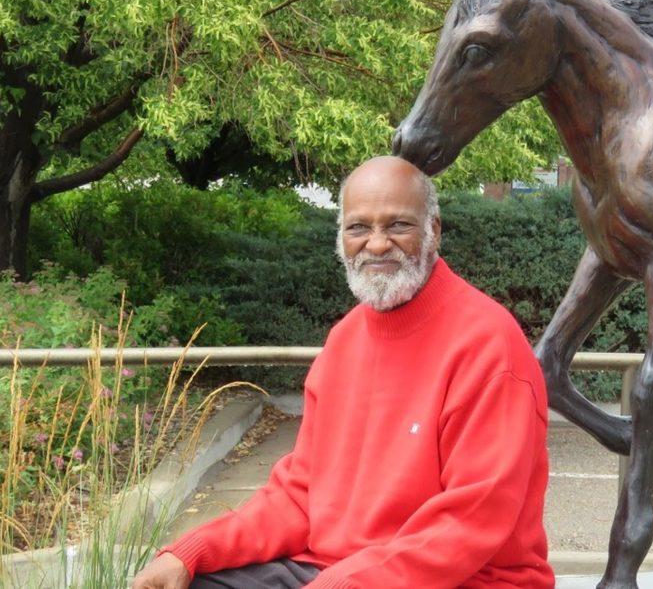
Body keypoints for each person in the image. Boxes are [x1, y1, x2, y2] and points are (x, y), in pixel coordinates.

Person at [132, 156, 555, 589]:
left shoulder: (489, 345)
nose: (375, 244)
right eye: (358, 227)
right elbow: (300, 497)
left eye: (398, 226)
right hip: (333, 571)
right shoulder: (344, 341)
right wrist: (191, 552)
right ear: (341, 238)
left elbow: (469, 523)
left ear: (434, 232)